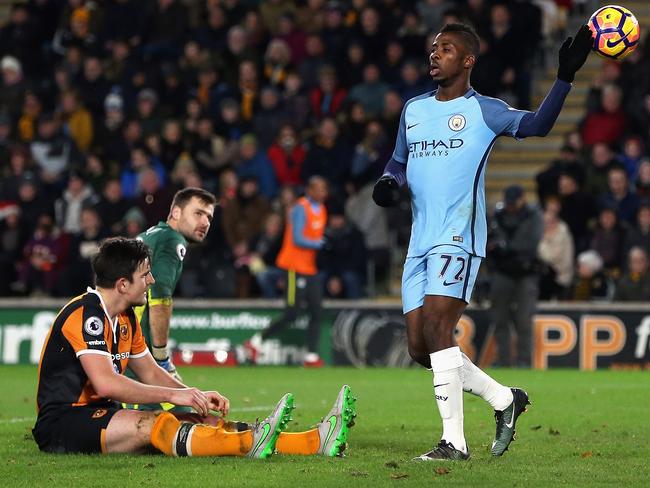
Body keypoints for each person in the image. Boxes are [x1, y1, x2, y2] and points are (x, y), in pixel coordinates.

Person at [371, 22, 592, 460]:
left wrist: (565, 77)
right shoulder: (413, 110)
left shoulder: (485, 111)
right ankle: (504, 399)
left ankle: (453, 442)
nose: (435, 54)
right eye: (434, 48)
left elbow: (538, 126)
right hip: (420, 239)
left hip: (458, 235)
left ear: (467, 60)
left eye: (447, 49)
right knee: (422, 348)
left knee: (438, 327)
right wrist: (387, 182)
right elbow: (397, 163)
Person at [32, 237, 357, 457]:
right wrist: (174, 397)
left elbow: (150, 372)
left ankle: (315, 441)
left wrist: (193, 394)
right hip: (63, 423)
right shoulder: (86, 315)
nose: (151, 281)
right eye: (145, 275)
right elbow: (107, 382)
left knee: (199, 421)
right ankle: (250, 443)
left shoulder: (125, 316)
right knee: (155, 423)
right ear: (122, 284)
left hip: (102, 416)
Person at [133, 187, 217, 382]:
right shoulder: (171, 240)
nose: (205, 222)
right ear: (176, 212)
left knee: (182, 408)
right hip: (136, 354)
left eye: (209, 218)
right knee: (187, 409)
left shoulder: (153, 235)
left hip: (124, 347)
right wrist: (161, 359)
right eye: (198, 213)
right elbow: (159, 300)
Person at [245, 176, 328, 367]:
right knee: (292, 313)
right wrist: (319, 243)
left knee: (316, 311)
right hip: (293, 267)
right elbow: (298, 238)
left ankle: (311, 356)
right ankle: (255, 341)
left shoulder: (322, 209)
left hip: (310, 268)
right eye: (319, 189)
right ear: (309, 190)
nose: (323, 193)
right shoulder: (301, 208)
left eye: (325, 189)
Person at [487, 185, 543, 368]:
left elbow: (530, 244)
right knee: (500, 318)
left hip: (526, 273)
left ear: (522, 199)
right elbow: (489, 241)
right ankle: (503, 360)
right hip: (502, 273)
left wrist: (505, 248)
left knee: (524, 319)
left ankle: (524, 361)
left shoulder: (533, 215)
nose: (510, 206)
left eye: (513, 202)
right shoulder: (498, 215)